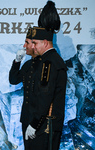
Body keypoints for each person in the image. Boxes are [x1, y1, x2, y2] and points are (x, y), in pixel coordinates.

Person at [22, 1, 68, 150]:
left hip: (45, 126)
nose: (33, 46)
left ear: (46, 43)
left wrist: (35, 124)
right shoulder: (54, 60)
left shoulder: (48, 63)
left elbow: (45, 97)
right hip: (47, 124)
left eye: (35, 43)